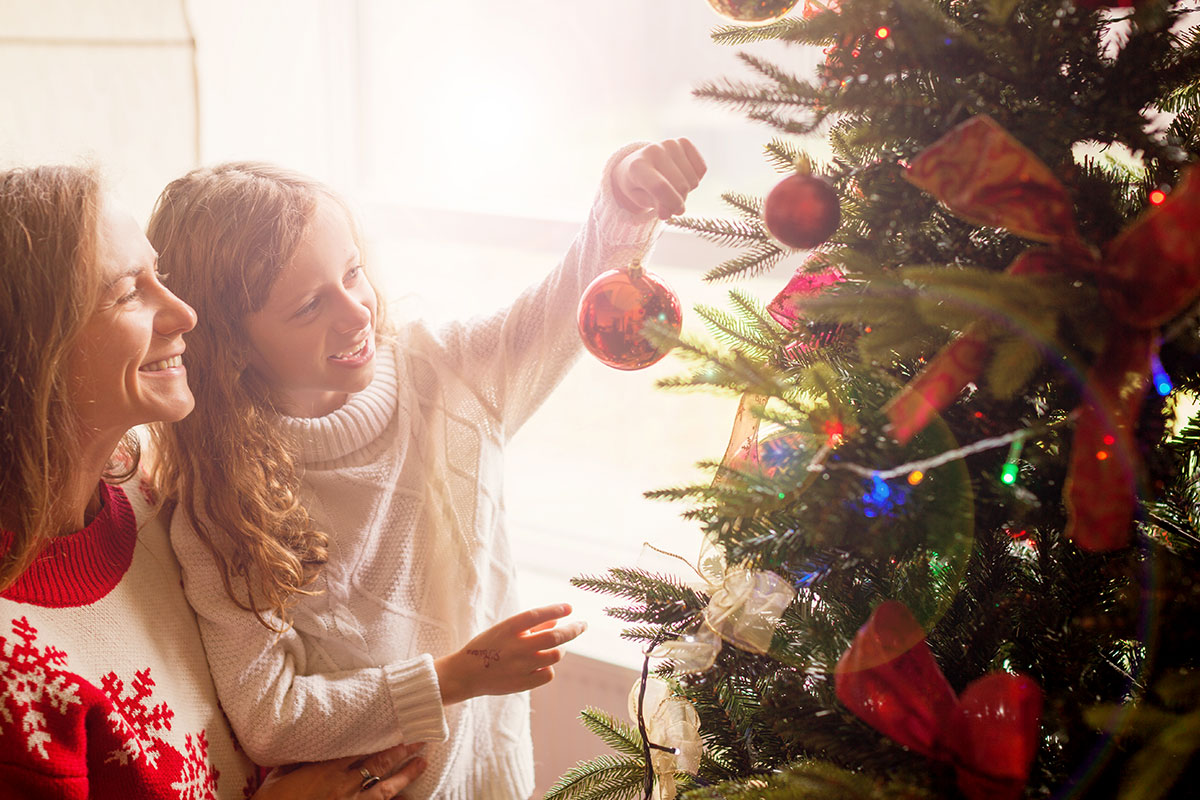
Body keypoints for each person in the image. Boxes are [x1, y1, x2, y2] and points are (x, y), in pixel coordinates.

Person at [147, 138, 706, 799]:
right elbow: (271, 718)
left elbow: (567, 303)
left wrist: (622, 195)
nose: (357, 313)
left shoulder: (447, 378)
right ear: (229, 343)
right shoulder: (220, 502)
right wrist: (457, 678)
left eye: (352, 274)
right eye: (308, 306)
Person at [0, 164, 427, 799]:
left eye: (161, 278)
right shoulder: (16, 683)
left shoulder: (148, 491)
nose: (184, 313)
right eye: (126, 293)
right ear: (32, 349)